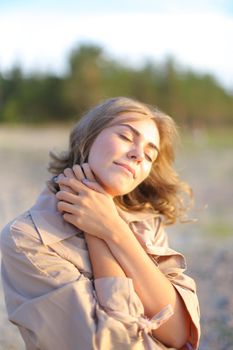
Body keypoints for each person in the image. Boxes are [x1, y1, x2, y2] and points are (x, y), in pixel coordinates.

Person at [0, 97, 200, 350]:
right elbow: (113, 345)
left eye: (150, 155)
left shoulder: (146, 224)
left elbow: (179, 333)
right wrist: (97, 232)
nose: (139, 154)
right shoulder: (27, 238)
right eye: (126, 137)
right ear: (89, 138)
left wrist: (113, 229)